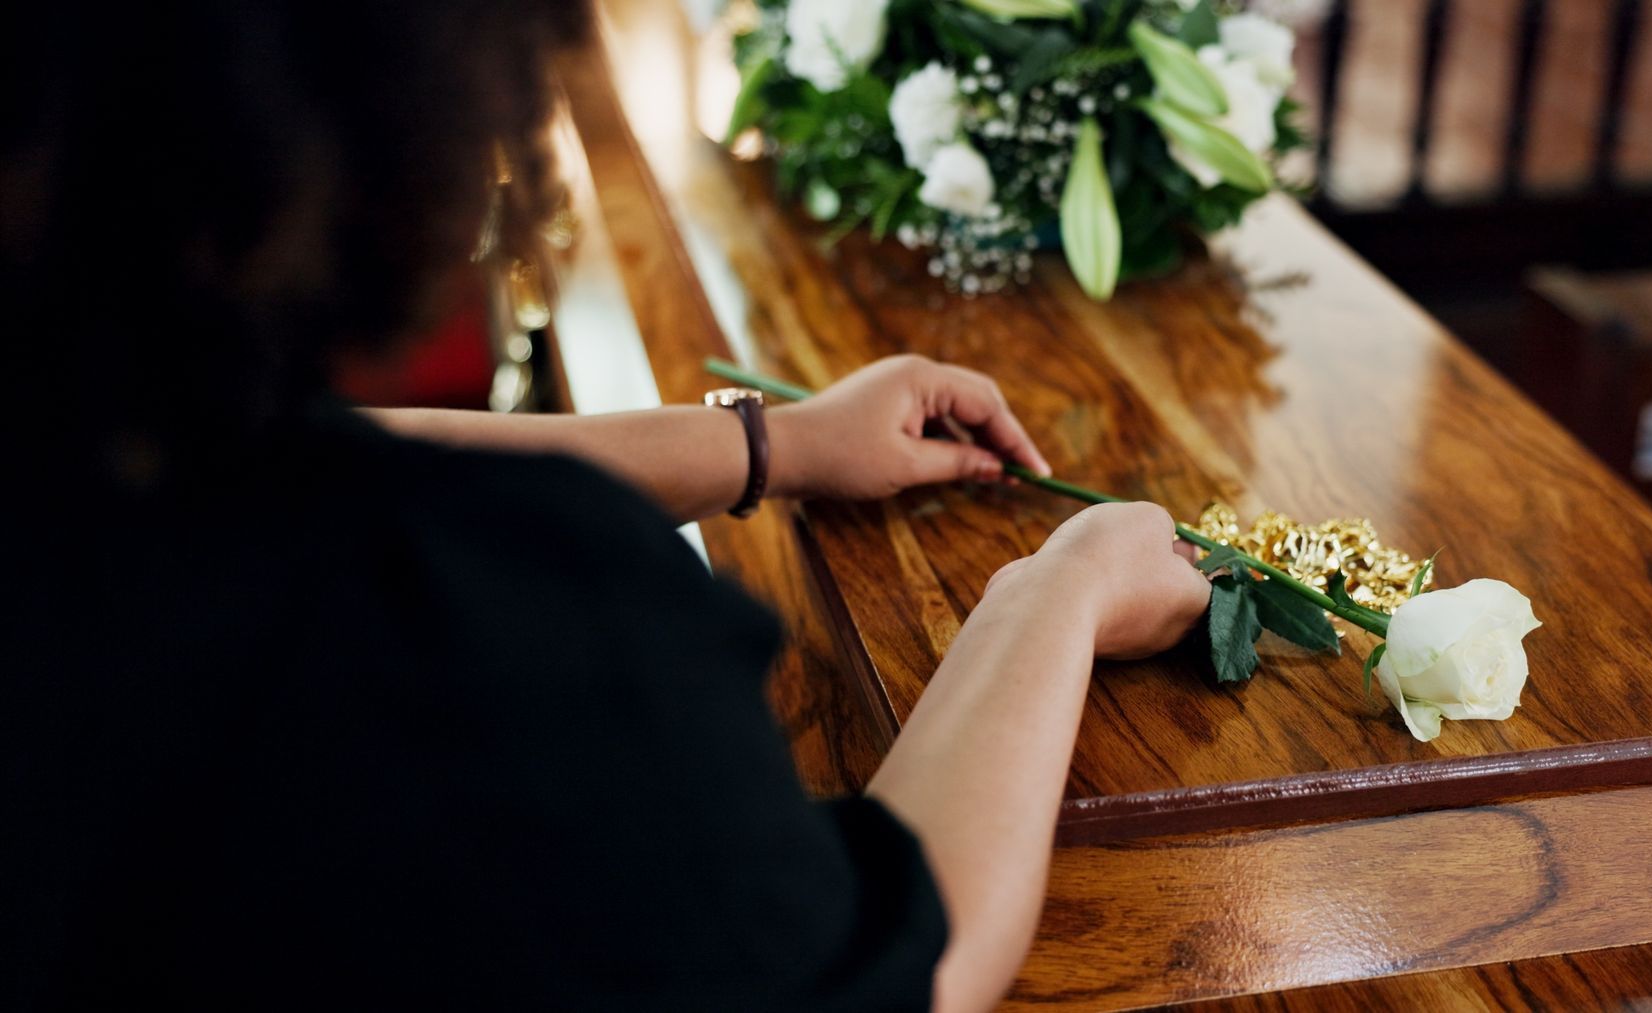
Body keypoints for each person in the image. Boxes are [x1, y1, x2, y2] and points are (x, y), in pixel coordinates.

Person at [1, 1, 1212, 1010]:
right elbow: (905, 964)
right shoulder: (484, 642)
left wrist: (768, 441)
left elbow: (317, 452)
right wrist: (1052, 592)